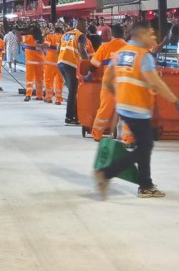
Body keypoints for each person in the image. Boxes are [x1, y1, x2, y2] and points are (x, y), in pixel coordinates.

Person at [94, 21, 179, 198]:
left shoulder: (119, 54)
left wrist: (119, 96)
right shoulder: (143, 55)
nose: (153, 37)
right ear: (140, 36)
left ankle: (145, 185)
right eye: (150, 34)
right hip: (138, 108)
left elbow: (108, 81)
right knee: (144, 146)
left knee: (144, 145)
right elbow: (155, 82)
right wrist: (175, 101)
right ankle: (107, 173)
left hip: (125, 107)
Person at [88, 24, 131, 143]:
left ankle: (97, 134)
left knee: (104, 109)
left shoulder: (105, 47)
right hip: (124, 85)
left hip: (109, 84)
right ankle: (128, 138)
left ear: (112, 34)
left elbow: (92, 66)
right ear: (124, 34)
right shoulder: (129, 48)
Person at [57, 18, 89, 124]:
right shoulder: (81, 35)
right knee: (73, 91)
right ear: (80, 25)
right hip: (71, 64)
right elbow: (82, 50)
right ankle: (69, 117)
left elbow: (58, 49)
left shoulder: (66, 34)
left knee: (72, 89)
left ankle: (75, 115)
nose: (86, 27)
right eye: (85, 24)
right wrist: (88, 64)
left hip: (61, 63)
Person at [22, 25, 44, 102]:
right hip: (40, 62)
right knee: (40, 80)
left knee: (29, 79)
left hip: (30, 62)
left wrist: (20, 31)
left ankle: (28, 95)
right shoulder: (41, 39)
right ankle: (40, 95)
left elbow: (20, 39)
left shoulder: (29, 37)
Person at [43, 25, 63, 105]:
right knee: (59, 81)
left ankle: (48, 98)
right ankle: (58, 99)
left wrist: (40, 44)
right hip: (60, 62)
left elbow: (46, 45)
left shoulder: (49, 37)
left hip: (50, 63)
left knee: (48, 80)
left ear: (54, 31)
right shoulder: (64, 38)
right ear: (61, 32)